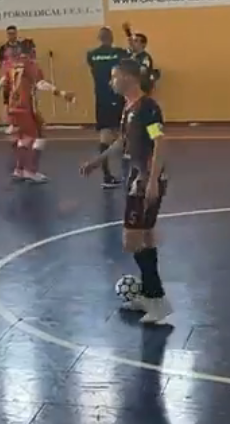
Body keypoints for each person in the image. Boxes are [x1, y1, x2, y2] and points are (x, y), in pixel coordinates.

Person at [80, 59, 172, 325]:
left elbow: (159, 142)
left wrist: (152, 180)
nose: (111, 82)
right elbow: (124, 141)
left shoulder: (148, 108)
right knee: (145, 236)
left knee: (132, 240)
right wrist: (98, 161)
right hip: (136, 176)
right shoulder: (128, 108)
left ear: (129, 78)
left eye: (114, 76)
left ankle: (156, 299)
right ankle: (152, 296)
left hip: (145, 179)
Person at [0, 38, 74, 183]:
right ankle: (31, 171)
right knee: (39, 137)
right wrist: (61, 93)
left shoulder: (12, 66)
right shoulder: (31, 65)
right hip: (26, 107)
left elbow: (1, 82)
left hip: (13, 107)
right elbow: (40, 84)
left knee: (23, 138)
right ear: (31, 50)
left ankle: (19, 169)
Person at [87, 27, 131, 188]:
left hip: (101, 99)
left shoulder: (91, 55)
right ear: (111, 38)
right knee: (123, 131)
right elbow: (131, 58)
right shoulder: (119, 53)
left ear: (99, 38)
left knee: (106, 134)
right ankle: (131, 166)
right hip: (117, 97)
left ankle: (107, 175)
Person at [124, 23, 159, 93]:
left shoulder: (145, 58)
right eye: (133, 41)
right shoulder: (130, 55)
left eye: (136, 41)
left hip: (141, 91)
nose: (133, 43)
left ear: (143, 44)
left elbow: (142, 73)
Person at [0, 25, 20, 105]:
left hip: (20, 75)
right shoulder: (3, 48)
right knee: (6, 93)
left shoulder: (22, 47)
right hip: (7, 75)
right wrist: (2, 73)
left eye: (13, 33)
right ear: (7, 35)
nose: (11, 36)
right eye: (9, 34)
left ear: (16, 34)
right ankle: (7, 105)